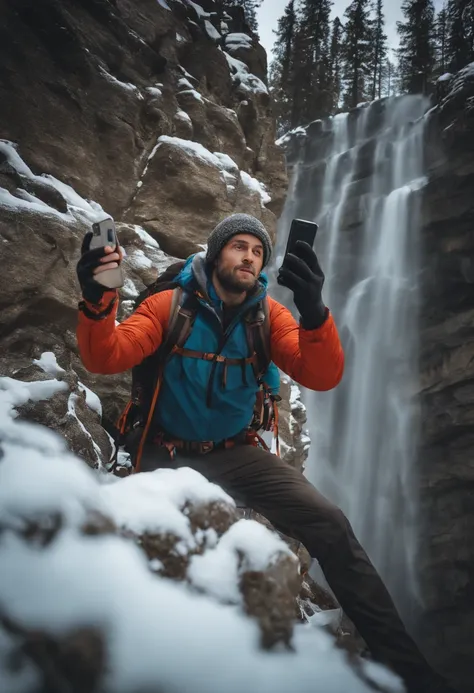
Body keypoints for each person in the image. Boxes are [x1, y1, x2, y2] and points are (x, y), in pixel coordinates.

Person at [76, 213, 454, 693]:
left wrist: (315, 311)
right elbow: (105, 356)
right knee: (143, 546)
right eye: (238, 246)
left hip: (237, 454)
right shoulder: (169, 307)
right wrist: (97, 298)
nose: (249, 256)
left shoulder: (266, 316)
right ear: (216, 254)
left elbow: (321, 374)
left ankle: (409, 670)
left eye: (258, 251)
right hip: (163, 452)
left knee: (329, 522)